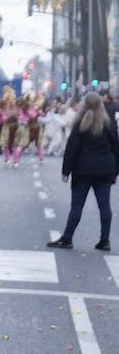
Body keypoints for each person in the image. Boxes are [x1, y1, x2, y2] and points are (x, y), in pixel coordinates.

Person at [49, 92, 119, 251]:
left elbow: (72, 149)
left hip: (83, 170)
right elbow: (116, 148)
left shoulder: (81, 124)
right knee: (104, 206)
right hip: (105, 170)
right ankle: (105, 240)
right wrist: (116, 171)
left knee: (77, 205)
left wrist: (66, 171)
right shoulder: (109, 124)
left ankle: (67, 238)